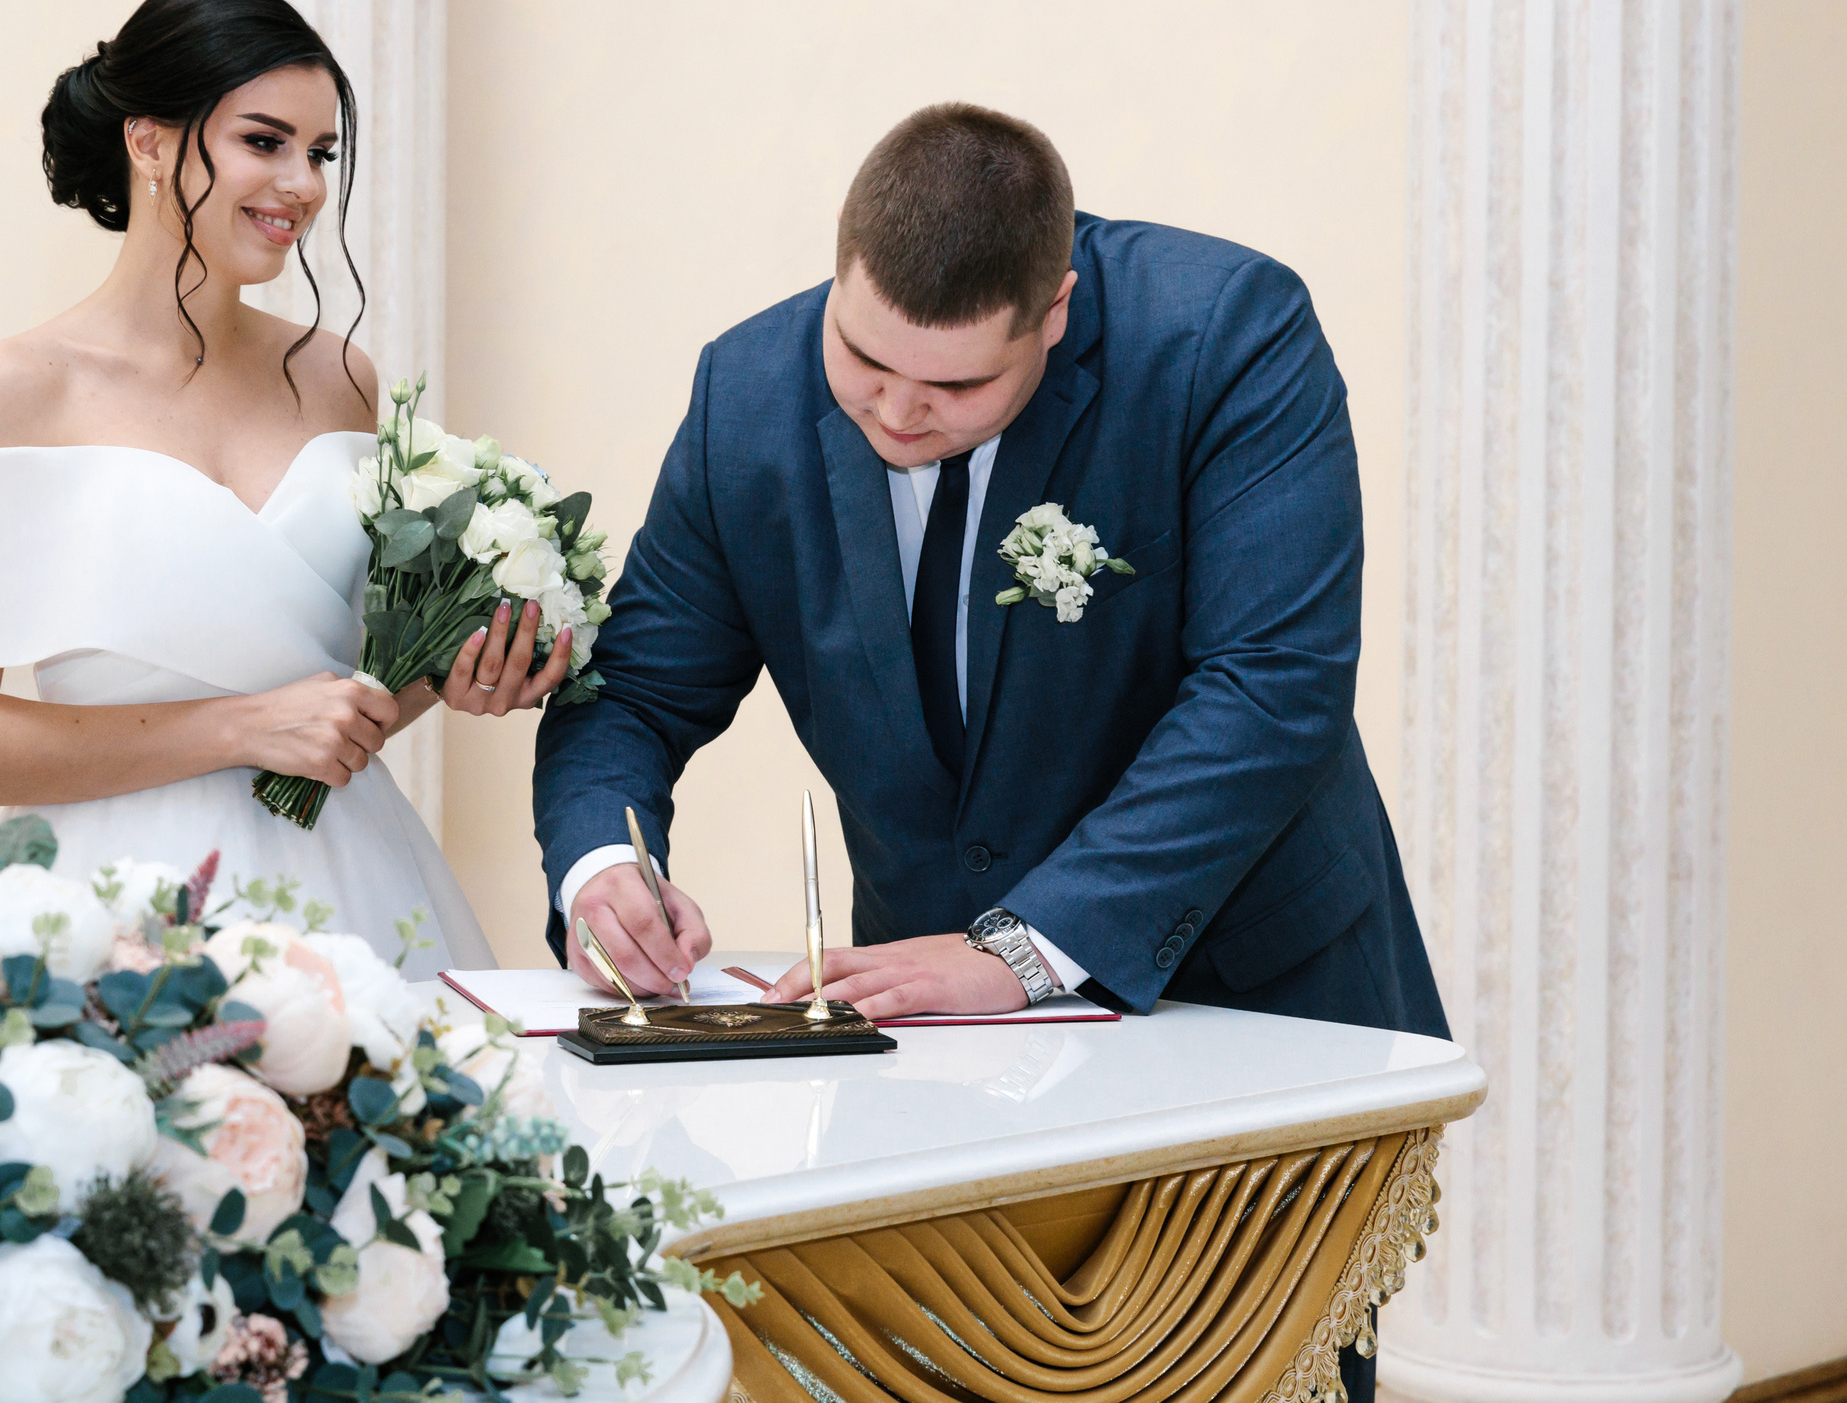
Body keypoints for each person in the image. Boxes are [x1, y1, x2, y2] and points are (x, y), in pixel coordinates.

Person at [533, 102, 1447, 1038]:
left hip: (1245, 995)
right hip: (923, 1024)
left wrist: (1026, 948)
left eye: (957, 386)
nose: (895, 413)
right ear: (842, 267)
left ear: (1054, 311)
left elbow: (1273, 686)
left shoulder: (1226, 337)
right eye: (863, 356)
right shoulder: (747, 395)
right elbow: (637, 690)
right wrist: (603, 864)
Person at [0, 0, 563, 970]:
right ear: (148, 141)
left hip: (351, 882)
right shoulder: (12, 388)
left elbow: (343, 693)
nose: (302, 183)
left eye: (319, 151)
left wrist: (454, 668)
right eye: (264, 140)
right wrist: (237, 727)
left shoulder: (340, 377)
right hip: (121, 910)